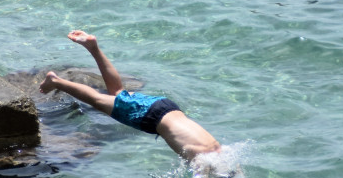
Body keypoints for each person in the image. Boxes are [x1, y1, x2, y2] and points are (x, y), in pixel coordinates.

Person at [39, 31, 222, 161]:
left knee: (118, 93)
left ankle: (93, 47)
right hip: (151, 117)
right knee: (97, 100)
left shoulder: (218, 148)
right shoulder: (203, 158)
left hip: (166, 107)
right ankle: (55, 81)